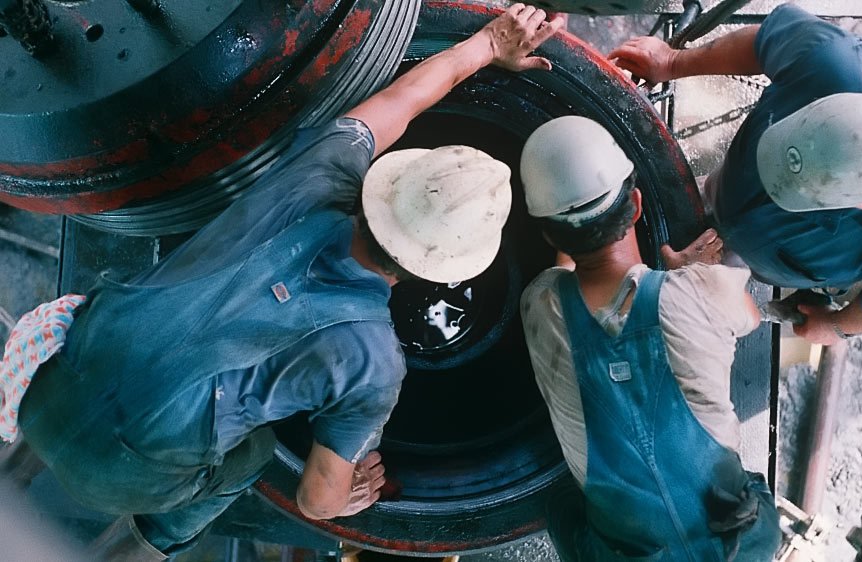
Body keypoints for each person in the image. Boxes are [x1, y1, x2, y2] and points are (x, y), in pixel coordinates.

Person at [0, 5, 564, 560]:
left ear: (388, 185)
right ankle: (154, 543)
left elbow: (402, 99)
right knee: (251, 457)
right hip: (122, 481)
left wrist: (489, 43)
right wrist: (349, 496)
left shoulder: (324, 167)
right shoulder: (372, 362)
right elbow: (316, 501)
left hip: (48, 385)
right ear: (441, 270)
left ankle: (18, 469)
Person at [519, 115, 781, 560]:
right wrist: (682, 276)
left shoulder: (539, 306)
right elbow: (751, 317)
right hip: (738, 539)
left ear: (546, 234)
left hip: (746, 546)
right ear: (637, 205)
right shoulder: (703, 291)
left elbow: (564, 276)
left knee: (559, 502)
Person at [610, 3, 862, 345]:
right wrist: (672, 62)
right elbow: (764, 44)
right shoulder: (831, 59)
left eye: (795, 191)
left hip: (776, 255)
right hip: (731, 187)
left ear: (861, 201)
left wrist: (835, 325)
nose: (777, 189)